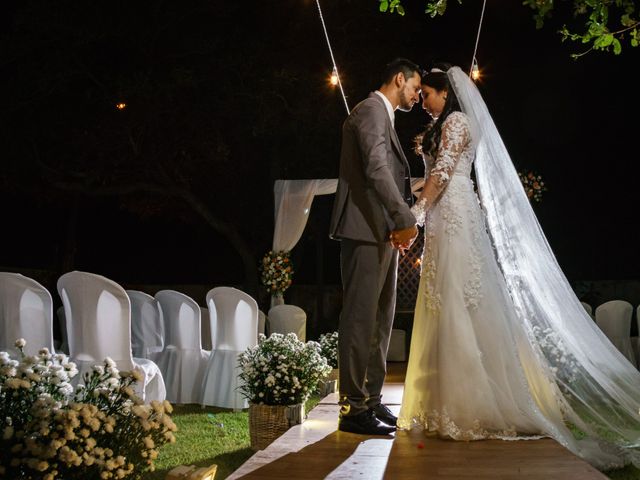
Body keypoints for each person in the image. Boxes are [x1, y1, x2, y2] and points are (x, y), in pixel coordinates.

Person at [398, 63, 640, 469]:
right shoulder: (444, 125)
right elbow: (433, 175)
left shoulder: (456, 120)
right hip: (445, 215)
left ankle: (470, 404)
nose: (423, 100)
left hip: (454, 213)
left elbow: (442, 174)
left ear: (445, 92)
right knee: (443, 300)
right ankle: (444, 402)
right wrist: (417, 198)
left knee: (459, 298)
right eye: (420, 95)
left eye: (428, 94)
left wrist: (417, 213)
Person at [329, 58, 421, 435]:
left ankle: (371, 400)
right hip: (364, 229)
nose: (417, 96)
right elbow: (377, 170)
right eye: (415, 87)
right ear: (399, 79)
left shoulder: (385, 115)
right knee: (360, 318)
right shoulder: (370, 110)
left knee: (381, 321)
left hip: (380, 232)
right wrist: (405, 218)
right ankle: (352, 409)